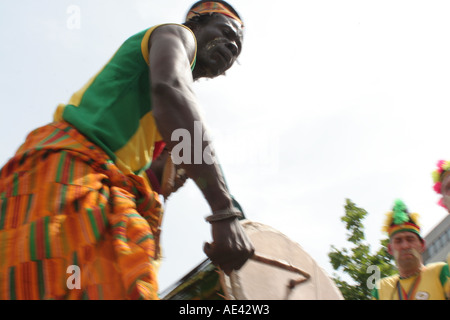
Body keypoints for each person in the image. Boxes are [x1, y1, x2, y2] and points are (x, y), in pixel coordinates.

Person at [0, 0, 254, 300]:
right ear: (195, 24)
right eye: (224, 32)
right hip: (69, 171)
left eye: (236, 48)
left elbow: (157, 165)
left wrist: (186, 183)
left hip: (93, 183)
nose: (230, 46)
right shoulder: (175, 36)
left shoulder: (164, 116)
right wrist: (224, 212)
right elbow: (171, 91)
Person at [371, 199, 449, 300]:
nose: (405, 246)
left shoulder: (440, 272)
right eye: (398, 241)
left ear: (422, 245)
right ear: (390, 249)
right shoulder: (381, 289)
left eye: (410, 239)